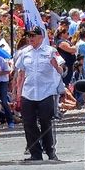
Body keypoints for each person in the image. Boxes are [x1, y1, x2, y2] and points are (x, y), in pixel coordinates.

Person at [13, 27, 64, 161]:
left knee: (45, 121)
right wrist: (18, 94)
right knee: (29, 123)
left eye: (33, 36)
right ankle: (35, 152)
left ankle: (50, 150)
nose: (31, 38)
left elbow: (62, 69)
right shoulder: (24, 52)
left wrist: (56, 66)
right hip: (28, 92)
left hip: (46, 92)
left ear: (41, 37)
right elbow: (21, 74)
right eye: (29, 36)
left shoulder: (50, 51)